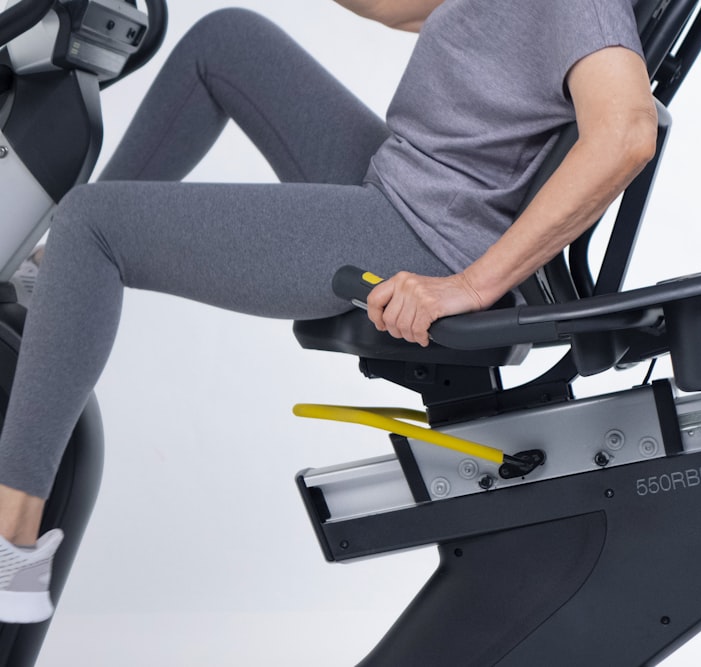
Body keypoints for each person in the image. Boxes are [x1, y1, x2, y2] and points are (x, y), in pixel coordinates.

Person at [0, 0, 655, 623]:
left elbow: (626, 133)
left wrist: (473, 286)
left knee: (93, 224)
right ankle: (61, 280)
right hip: (398, 180)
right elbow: (404, 7)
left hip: (420, 235)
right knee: (224, 43)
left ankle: (12, 547)